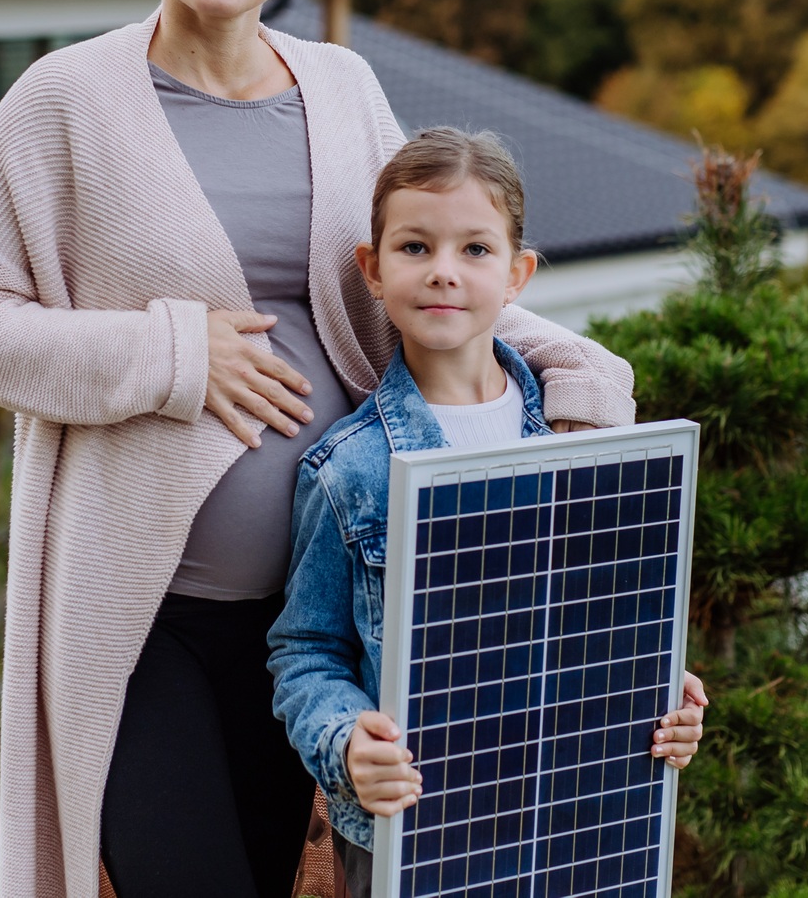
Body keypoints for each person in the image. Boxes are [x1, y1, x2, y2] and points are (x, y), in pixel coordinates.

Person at [0, 0, 654, 898]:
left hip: (316, 619)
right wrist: (169, 358)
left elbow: (430, 266)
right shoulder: (64, 100)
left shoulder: (343, 87)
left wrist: (570, 370)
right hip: (142, 611)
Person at [266, 128, 711, 897]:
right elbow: (304, 650)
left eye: (475, 249)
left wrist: (661, 694)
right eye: (415, 247)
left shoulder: (585, 445)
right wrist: (344, 741)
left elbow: (610, 622)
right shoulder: (351, 469)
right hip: (411, 832)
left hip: (575, 816)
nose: (443, 271)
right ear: (372, 269)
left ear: (517, 273)